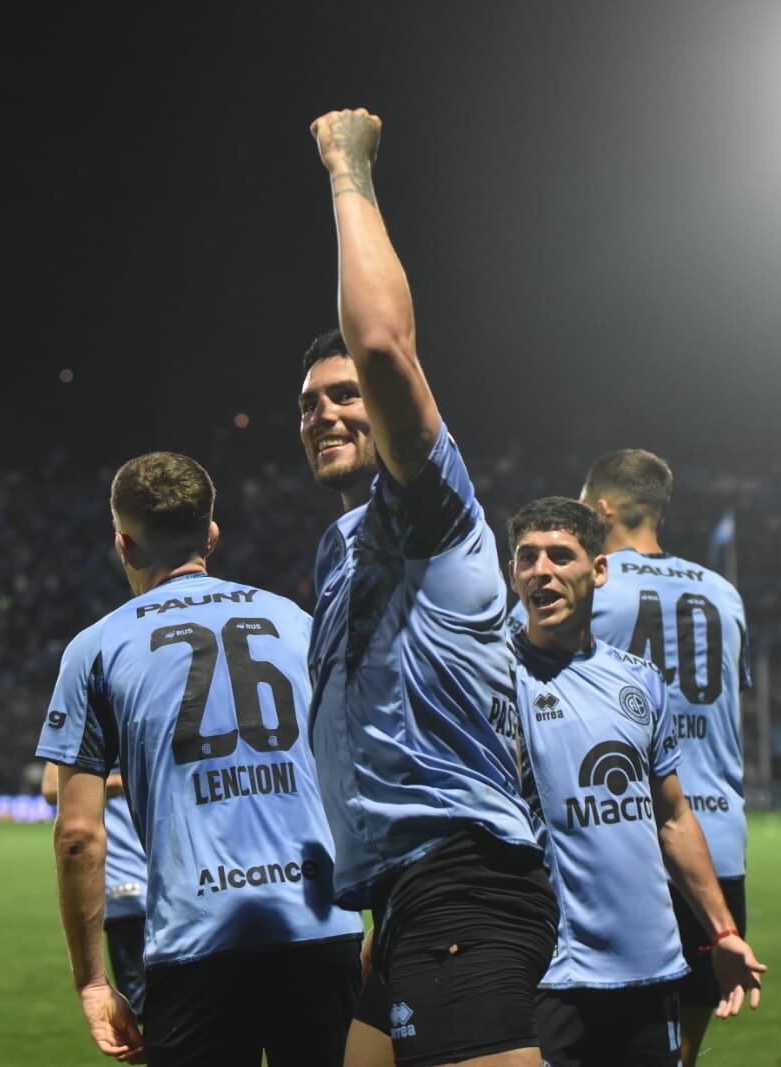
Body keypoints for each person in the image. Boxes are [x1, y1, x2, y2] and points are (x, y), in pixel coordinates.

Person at [301, 107, 555, 1067]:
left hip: (468, 889)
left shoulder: (430, 509)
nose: (326, 412)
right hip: (406, 899)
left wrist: (346, 170)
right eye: (310, 403)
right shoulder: (344, 545)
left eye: (344, 397)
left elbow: (383, 347)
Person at [36, 451, 362, 1065]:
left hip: (197, 944)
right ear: (212, 535)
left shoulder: (96, 648)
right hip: (321, 931)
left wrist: (93, 980)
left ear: (125, 546)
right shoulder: (297, 623)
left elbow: (78, 835)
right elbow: (355, 775)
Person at [506, 498, 765, 1067]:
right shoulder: (495, 677)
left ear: (599, 570)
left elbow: (671, 817)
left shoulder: (639, 680)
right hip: (553, 976)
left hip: (652, 970)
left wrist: (722, 934)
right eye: (527, 558)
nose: (540, 571)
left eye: (559, 556)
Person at [574, 449, 753, 1066]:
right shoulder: (725, 595)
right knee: (680, 1055)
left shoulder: (587, 586)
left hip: (624, 847)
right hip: (718, 850)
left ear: (602, 508)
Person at [42, 762, 149, 1021]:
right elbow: (50, 789)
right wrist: (120, 781)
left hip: (178, 881)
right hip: (129, 886)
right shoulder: (89, 721)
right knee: (150, 1013)